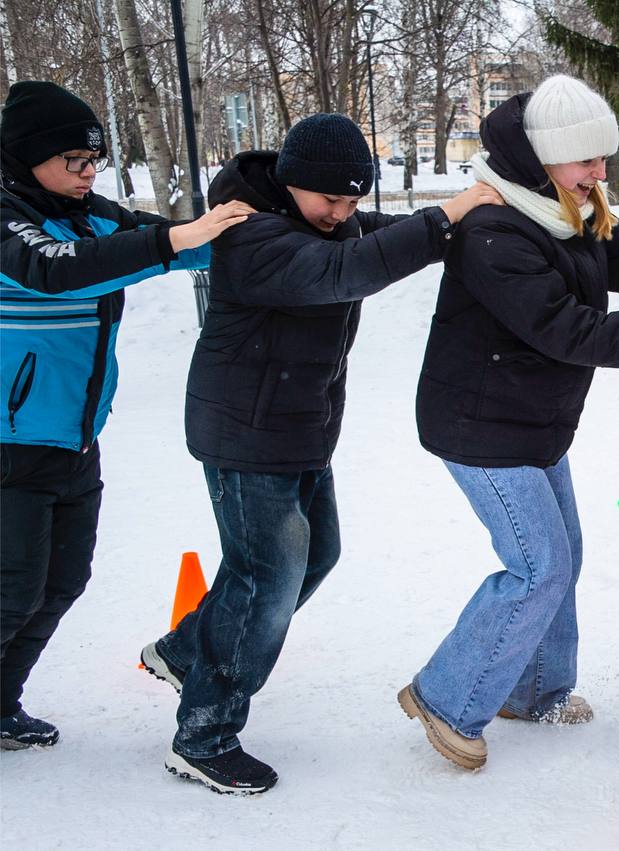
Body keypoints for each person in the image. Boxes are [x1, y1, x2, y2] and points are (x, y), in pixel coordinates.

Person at [138, 113, 501, 794]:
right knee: (267, 580)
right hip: (244, 434)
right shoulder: (252, 232)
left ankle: (189, 650)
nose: (343, 214)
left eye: (354, 201)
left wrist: (466, 217)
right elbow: (346, 269)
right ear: (292, 183)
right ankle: (204, 733)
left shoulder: (318, 223)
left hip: (297, 429)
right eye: (330, 200)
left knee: (315, 553)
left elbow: (373, 239)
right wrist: (446, 218)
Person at [399, 76, 619, 771]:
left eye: (603, 159)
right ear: (544, 159)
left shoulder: (571, 211)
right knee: (539, 566)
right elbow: (562, 327)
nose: (599, 173)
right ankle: (446, 696)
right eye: (586, 159)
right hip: (479, 426)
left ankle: (532, 690)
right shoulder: (496, 229)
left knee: (561, 558)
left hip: (533, 421)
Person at [0, 81, 252, 750]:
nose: (88, 174)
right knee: (10, 590)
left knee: (61, 581)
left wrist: (264, 225)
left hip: (74, 440)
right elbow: (53, 270)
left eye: (95, 161)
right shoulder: (10, 221)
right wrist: (175, 237)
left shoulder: (88, 216)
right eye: (74, 161)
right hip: (8, 441)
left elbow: (183, 246)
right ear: (29, 157)